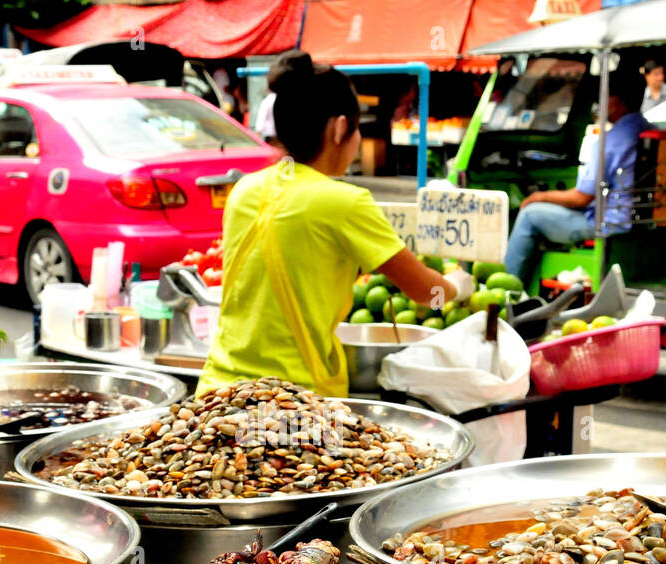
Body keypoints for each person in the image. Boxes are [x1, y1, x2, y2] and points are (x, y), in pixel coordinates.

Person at [198, 50, 475, 398]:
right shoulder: (345, 202)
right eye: (358, 128)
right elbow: (427, 294)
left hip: (215, 395)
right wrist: (459, 286)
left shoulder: (244, 189)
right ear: (340, 127)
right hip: (293, 407)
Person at [504, 69, 652, 285]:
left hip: (611, 225)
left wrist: (539, 197)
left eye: (605, 97)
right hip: (642, 222)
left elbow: (581, 198)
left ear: (617, 101)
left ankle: (507, 288)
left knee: (529, 214)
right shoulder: (650, 130)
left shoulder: (608, 142)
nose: (600, 104)